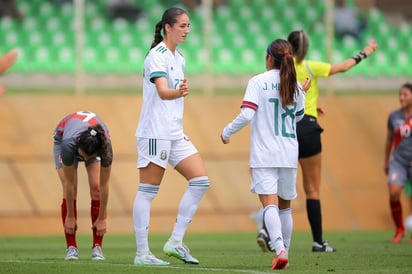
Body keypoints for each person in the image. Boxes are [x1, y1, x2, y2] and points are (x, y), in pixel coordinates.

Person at [254, 30, 377, 253]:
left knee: (273, 184)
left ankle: (266, 230)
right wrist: (364, 52)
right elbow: (344, 67)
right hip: (308, 127)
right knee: (312, 190)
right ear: (306, 49)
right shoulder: (311, 66)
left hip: (286, 130)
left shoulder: (280, 69)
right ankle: (318, 241)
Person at [132, 7, 209, 266]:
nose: (187, 30)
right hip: (155, 132)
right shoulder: (157, 56)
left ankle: (175, 242)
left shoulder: (180, 57)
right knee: (147, 191)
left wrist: (179, 92)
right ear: (168, 27)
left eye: (188, 26)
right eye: (182, 26)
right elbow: (164, 92)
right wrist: (179, 92)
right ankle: (142, 253)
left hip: (174, 132)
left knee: (200, 180)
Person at [221, 38, 306, 270]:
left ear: (269, 58)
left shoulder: (258, 81)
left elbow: (247, 115)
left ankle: (279, 249)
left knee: (269, 205)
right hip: (289, 153)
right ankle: (284, 252)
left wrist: (227, 131)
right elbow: (298, 117)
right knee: (285, 207)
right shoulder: (297, 86)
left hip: (265, 153)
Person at [53, 111, 113, 260]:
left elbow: (104, 186)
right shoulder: (69, 145)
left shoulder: (105, 148)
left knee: (96, 188)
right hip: (63, 138)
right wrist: (71, 216)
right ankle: (71, 247)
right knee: (71, 188)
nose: (84, 160)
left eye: (89, 158)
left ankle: (97, 247)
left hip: (91, 143)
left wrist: (102, 218)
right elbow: (69, 184)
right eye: (84, 156)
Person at [384, 83, 412, 244]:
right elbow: (389, 140)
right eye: (400, 94)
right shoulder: (393, 116)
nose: (401, 97)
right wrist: (386, 161)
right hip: (398, 161)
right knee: (394, 192)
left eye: (405, 94)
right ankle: (400, 228)